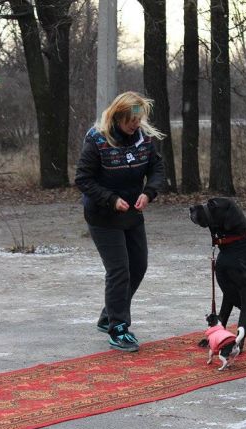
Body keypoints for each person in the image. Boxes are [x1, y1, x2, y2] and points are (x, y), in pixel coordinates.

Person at [75, 91, 165, 352]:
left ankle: (108, 316)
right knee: (119, 270)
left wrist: (149, 193)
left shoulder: (145, 139)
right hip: (103, 215)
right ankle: (118, 328)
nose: (135, 126)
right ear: (117, 117)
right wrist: (110, 199)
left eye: (138, 121)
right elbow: (83, 179)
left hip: (132, 212)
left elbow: (157, 169)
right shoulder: (97, 140)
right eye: (130, 122)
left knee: (138, 266)